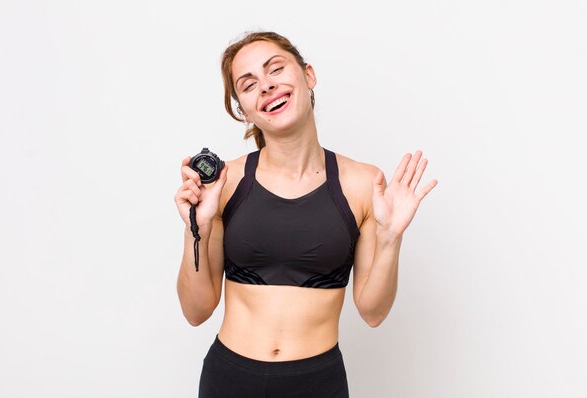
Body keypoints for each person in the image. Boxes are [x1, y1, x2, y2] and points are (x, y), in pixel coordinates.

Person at [175, 31, 437, 398]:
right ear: (243, 110)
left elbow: (373, 312)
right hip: (230, 379)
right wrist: (195, 229)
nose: (266, 87)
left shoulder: (362, 183)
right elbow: (196, 311)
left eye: (275, 69)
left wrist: (391, 238)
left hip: (317, 383)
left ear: (308, 75)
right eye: (248, 85)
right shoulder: (225, 182)